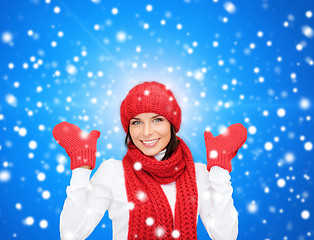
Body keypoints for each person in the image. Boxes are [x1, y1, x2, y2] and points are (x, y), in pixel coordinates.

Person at [53, 81, 247, 240]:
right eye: (136, 122)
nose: (146, 132)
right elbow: (71, 235)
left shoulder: (198, 173)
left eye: (157, 120)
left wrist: (220, 169)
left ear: (172, 124)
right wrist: (81, 168)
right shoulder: (112, 171)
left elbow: (225, 236)